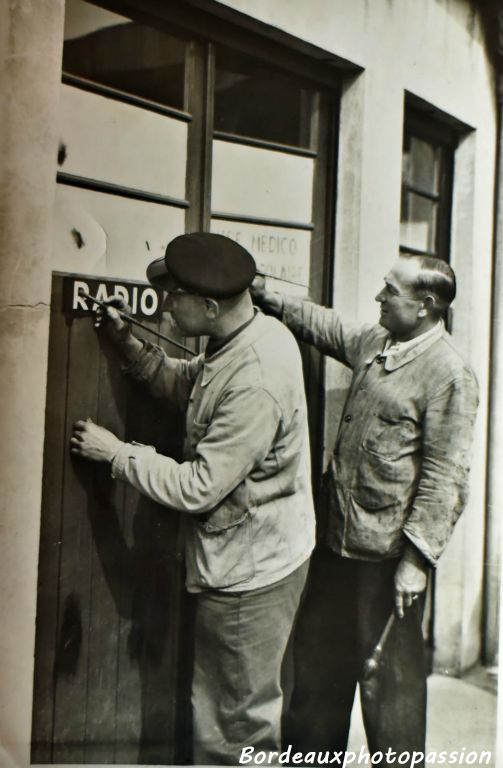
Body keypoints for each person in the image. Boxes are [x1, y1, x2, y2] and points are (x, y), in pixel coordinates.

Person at [70, 232, 316, 765]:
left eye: (173, 295)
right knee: (225, 715)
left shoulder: (256, 378)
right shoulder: (246, 336)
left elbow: (198, 486)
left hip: (252, 573)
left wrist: (116, 454)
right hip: (248, 553)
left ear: (208, 306)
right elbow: (195, 388)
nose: (164, 303)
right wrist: (129, 344)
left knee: (235, 730)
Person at [251, 255, 478, 764]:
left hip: (389, 562)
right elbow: (326, 326)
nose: (379, 297)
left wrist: (416, 564)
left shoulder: (449, 374)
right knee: (316, 678)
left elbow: (447, 477)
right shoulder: (378, 343)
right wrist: (267, 294)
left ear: (426, 306)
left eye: (390, 291)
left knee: (388, 691)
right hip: (336, 545)